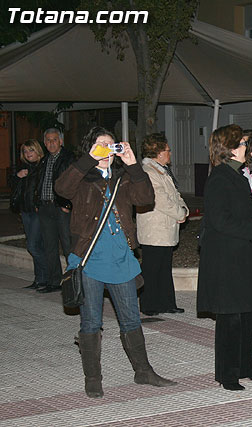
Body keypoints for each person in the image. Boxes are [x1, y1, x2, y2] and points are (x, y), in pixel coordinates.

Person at [55, 126, 177, 398]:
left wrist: (133, 166)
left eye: (111, 145)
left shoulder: (123, 178)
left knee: (131, 319)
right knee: (90, 322)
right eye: (101, 145)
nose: (107, 150)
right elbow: (61, 188)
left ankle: (143, 371)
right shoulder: (81, 178)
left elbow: (146, 199)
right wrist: (89, 158)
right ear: (90, 148)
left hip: (121, 258)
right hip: (90, 259)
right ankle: (93, 377)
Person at [196, 124, 252, 391]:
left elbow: (243, 209)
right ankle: (227, 375)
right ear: (229, 149)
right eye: (241, 143)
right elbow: (219, 220)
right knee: (230, 319)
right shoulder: (219, 177)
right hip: (226, 259)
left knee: (248, 313)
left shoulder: (238, 175)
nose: (246, 147)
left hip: (242, 255)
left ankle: (247, 367)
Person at [137, 133, 189, 316]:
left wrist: (184, 210)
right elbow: (161, 200)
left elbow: (175, 195)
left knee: (164, 267)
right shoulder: (149, 172)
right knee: (152, 268)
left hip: (165, 228)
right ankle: (149, 304)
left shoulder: (162, 170)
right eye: (167, 150)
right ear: (158, 153)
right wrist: (179, 213)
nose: (170, 153)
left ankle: (166, 303)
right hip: (155, 229)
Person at [37, 128, 74, 293]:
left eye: (54, 140)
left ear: (61, 141)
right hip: (45, 207)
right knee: (49, 246)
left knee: (68, 245)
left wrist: (67, 204)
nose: (51, 143)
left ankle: (75, 280)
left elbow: (74, 183)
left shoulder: (68, 159)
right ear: (44, 143)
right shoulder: (44, 160)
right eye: (48, 140)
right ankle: (54, 281)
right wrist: (37, 202)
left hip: (61, 208)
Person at [11, 139, 48, 290]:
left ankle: (46, 277)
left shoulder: (42, 167)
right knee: (36, 245)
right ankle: (39, 279)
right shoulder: (24, 168)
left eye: (31, 150)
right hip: (25, 211)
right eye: (25, 151)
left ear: (38, 151)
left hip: (37, 211)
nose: (28, 154)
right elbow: (15, 188)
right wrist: (17, 177)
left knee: (33, 246)